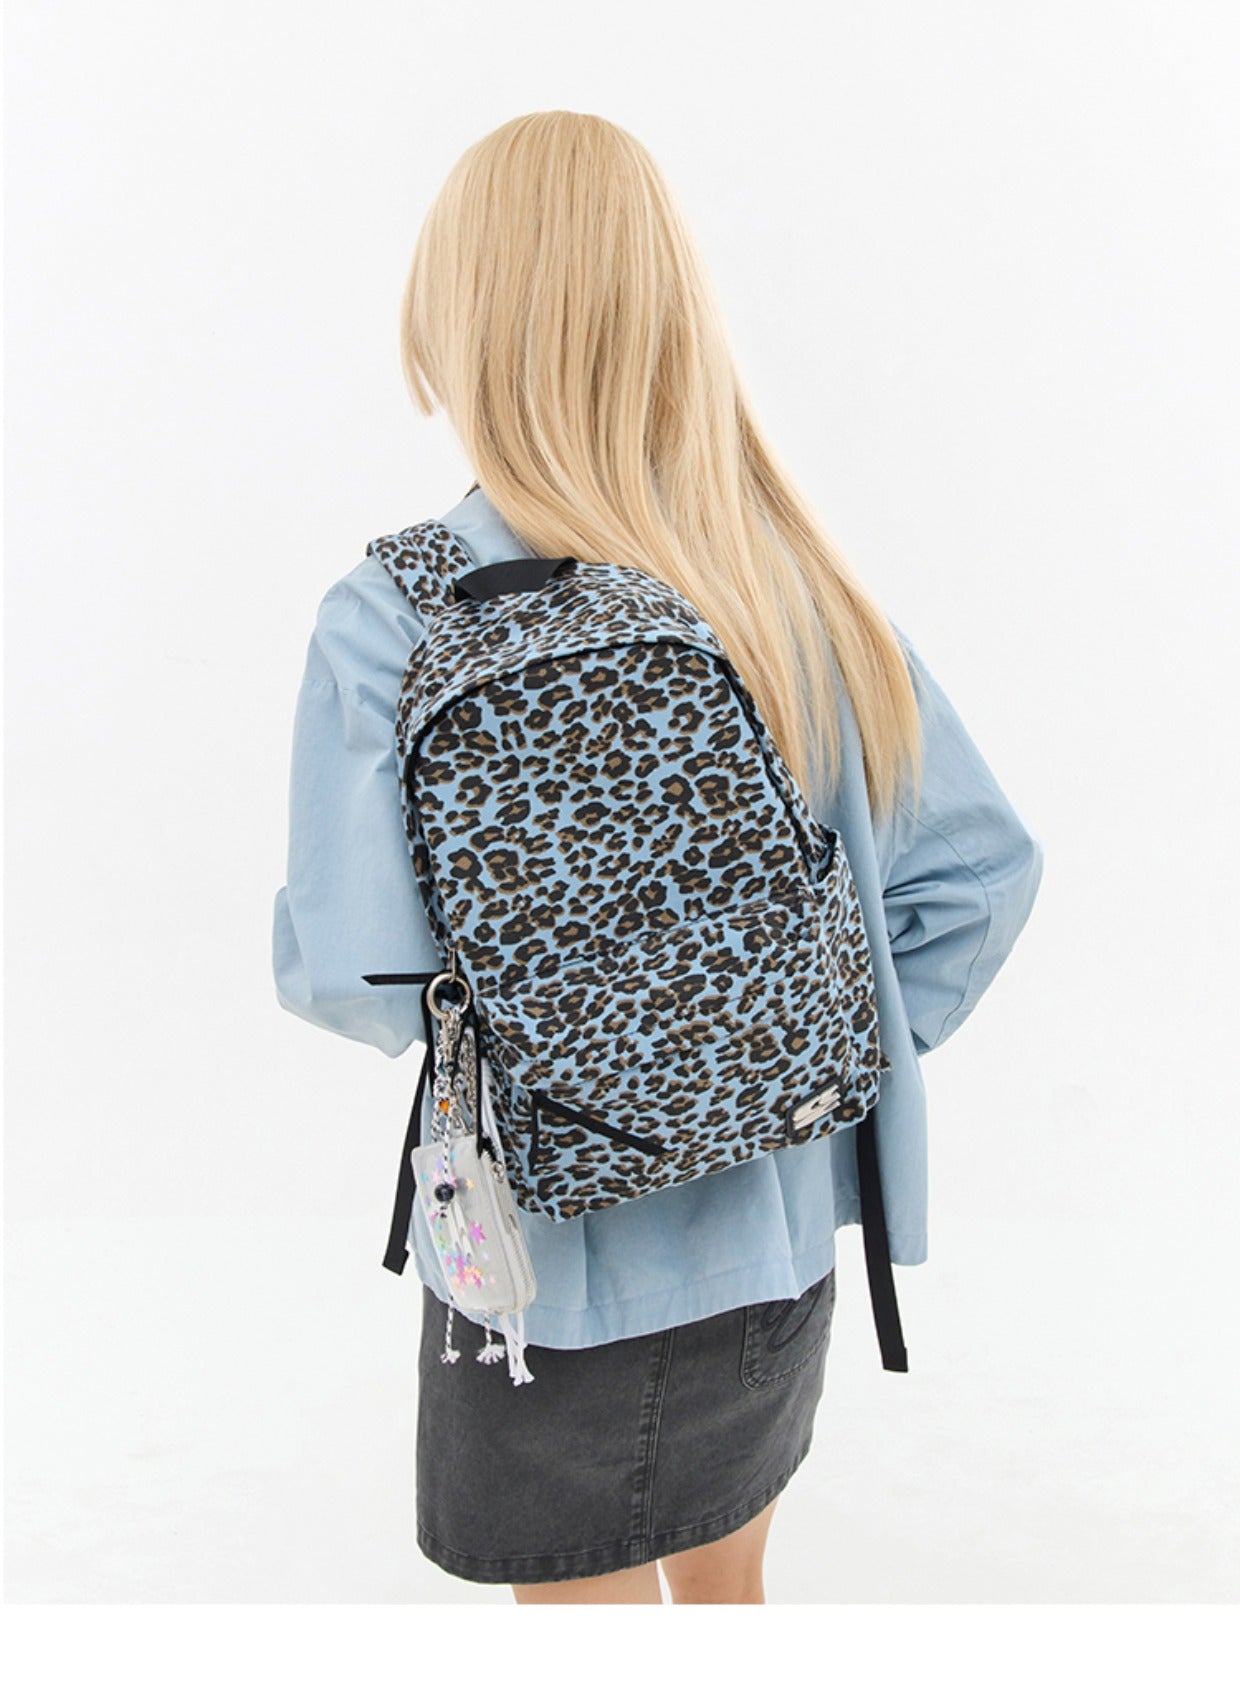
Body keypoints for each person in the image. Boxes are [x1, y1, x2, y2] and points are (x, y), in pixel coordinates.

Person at [271, 110, 1044, 1606]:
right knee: (725, 1608)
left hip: (540, 1275)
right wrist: (781, 1046)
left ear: (458, 319)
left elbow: (352, 974)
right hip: (778, 1242)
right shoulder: (789, 586)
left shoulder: (396, 616)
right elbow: (977, 877)